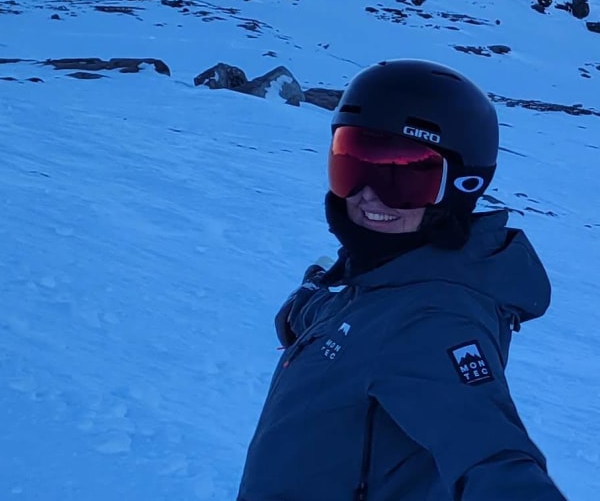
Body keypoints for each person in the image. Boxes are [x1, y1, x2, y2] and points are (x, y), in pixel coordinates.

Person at [237, 59, 566, 500]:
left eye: (404, 178)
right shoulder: (382, 276)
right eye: (354, 166)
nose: (369, 196)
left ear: (461, 186)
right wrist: (307, 306)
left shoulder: (436, 320)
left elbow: (495, 460)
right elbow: (365, 322)